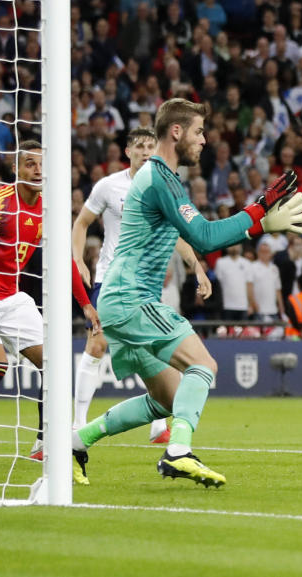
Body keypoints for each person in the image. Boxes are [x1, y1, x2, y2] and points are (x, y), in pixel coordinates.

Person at [70, 98, 302, 487]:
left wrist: (258, 219)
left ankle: (76, 442)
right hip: (132, 300)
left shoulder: (159, 178)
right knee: (204, 365)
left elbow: (191, 238)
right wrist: (260, 213)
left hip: (121, 300)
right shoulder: (160, 177)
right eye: (199, 131)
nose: (205, 140)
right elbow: (204, 236)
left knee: (167, 399)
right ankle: (178, 453)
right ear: (177, 132)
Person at [0, 141, 101, 463]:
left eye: (42, 164)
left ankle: (43, 443)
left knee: (54, 364)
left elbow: (63, 259)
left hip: (11, 298)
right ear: (16, 169)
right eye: (29, 164)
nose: (37, 170)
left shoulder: (47, 208)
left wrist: (85, 304)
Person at [72, 128, 212, 443]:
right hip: (111, 279)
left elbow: (176, 234)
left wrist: (197, 268)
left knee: (157, 347)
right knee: (97, 344)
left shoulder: (162, 185)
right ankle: (77, 423)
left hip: (145, 282)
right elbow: (81, 223)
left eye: (151, 145)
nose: (146, 151)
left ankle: (159, 426)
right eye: (140, 146)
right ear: (128, 151)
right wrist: (78, 260)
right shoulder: (109, 186)